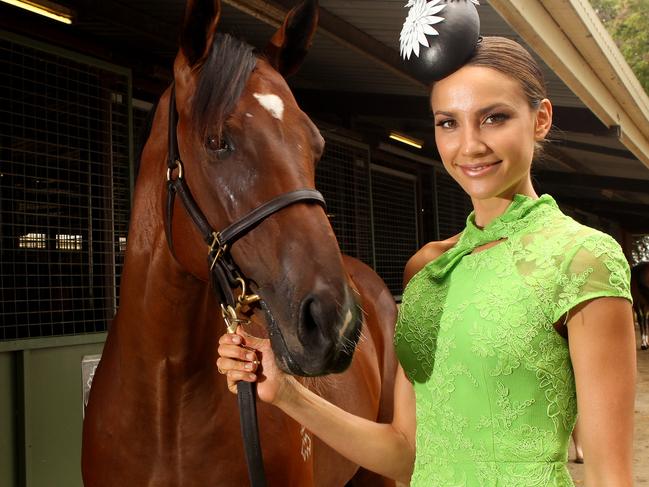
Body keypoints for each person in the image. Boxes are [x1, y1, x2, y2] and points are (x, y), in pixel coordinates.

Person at [217, 3, 636, 485]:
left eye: (494, 117)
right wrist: (287, 392)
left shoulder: (584, 258)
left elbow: (610, 476)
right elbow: (404, 453)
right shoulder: (428, 269)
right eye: (448, 123)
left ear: (540, 119)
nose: (469, 146)